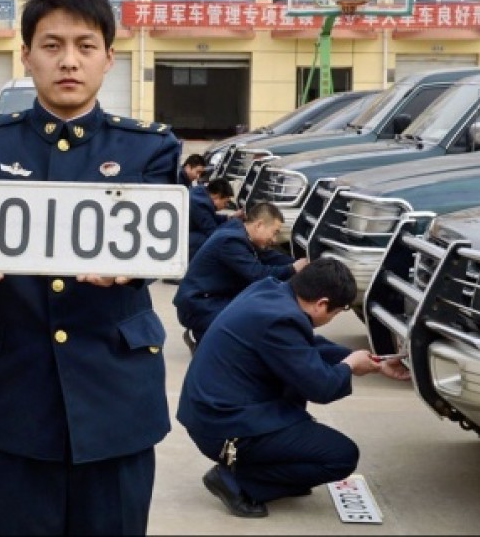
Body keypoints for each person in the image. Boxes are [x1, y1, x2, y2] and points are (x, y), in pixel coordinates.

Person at [0, 0, 180, 536]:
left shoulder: (149, 148)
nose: (68, 61)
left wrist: (138, 266)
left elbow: (171, 238)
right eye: (51, 46)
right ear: (26, 56)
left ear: (108, 58)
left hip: (116, 394)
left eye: (85, 46)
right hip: (15, 394)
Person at [176, 258, 410, 518]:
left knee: (302, 420)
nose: (332, 318)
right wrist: (348, 366)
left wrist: (370, 362)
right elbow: (322, 387)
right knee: (341, 456)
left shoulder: (270, 292)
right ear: (321, 304)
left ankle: (278, 473)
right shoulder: (281, 320)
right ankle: (237, 482)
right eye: (335, 312)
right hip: (223, 427)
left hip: (214, 411)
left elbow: (304, 345)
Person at [175, 201, 308, 353]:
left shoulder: (240, 232)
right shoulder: (231, 241)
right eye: (275, 232)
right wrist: (292, 269)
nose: (275, 239)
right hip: (199, 306)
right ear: (259, 225)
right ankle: (201, 334)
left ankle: (211, 333)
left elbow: (269, 257)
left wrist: (299, 264)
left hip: (209, 299)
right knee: (248, 322)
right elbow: (257, 274)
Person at [187, 176, 241, 261]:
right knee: (206, 241)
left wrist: (229, 217)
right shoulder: (200, 204)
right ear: (217, 196)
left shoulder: (199, 193)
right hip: (180, 241)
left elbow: (209, 217)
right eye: (225, 202)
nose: (225, 206)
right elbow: (213, 233)